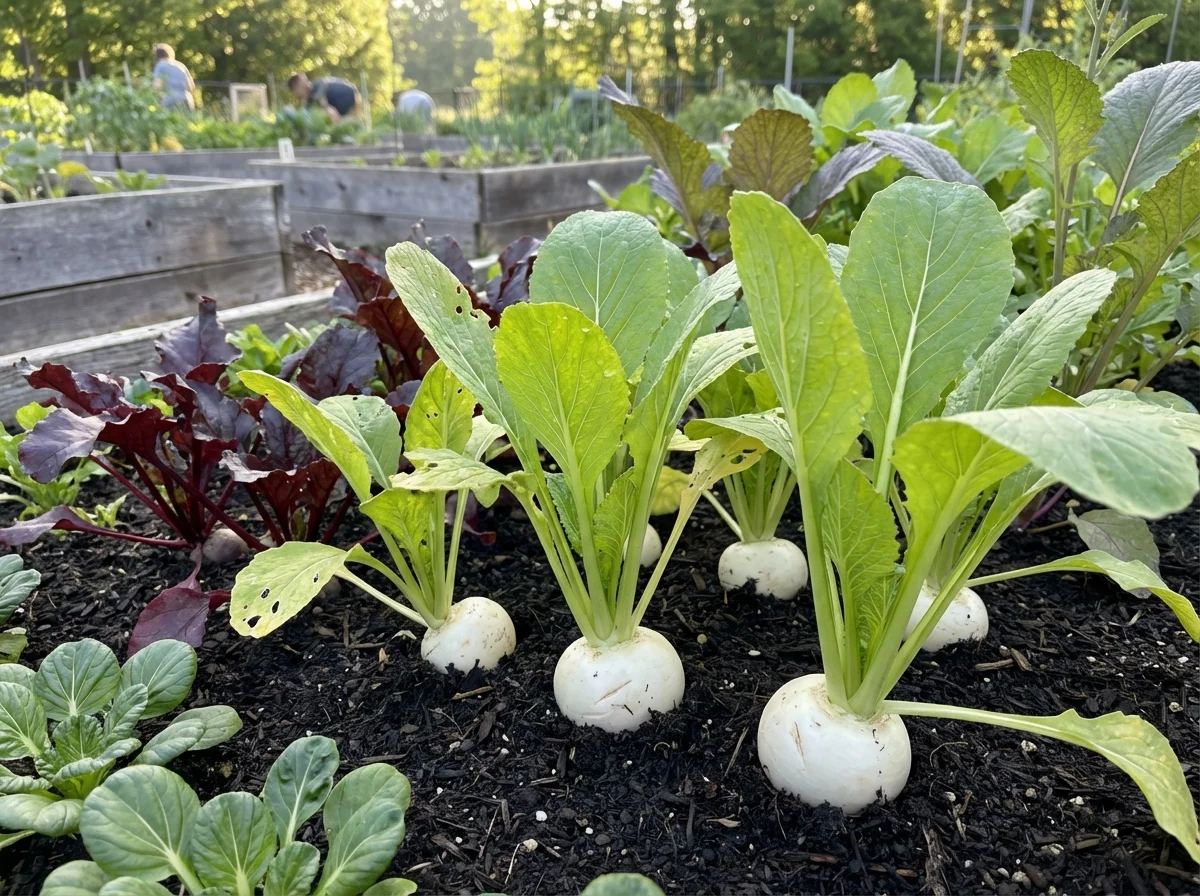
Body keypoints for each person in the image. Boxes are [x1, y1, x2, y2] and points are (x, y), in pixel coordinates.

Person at [287, 73, 361, 122]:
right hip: (346, 102)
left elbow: (326, 106)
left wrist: (328, 110)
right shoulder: (310, 97)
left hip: (349, 98)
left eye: (296, 89)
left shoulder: (317, 88)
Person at [152, 44, 195, 111]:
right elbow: (190, 87)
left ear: (156, 56)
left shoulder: (160, 65)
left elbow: (157, 86)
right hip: (187, 100)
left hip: (170, 102)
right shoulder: (181, 65)